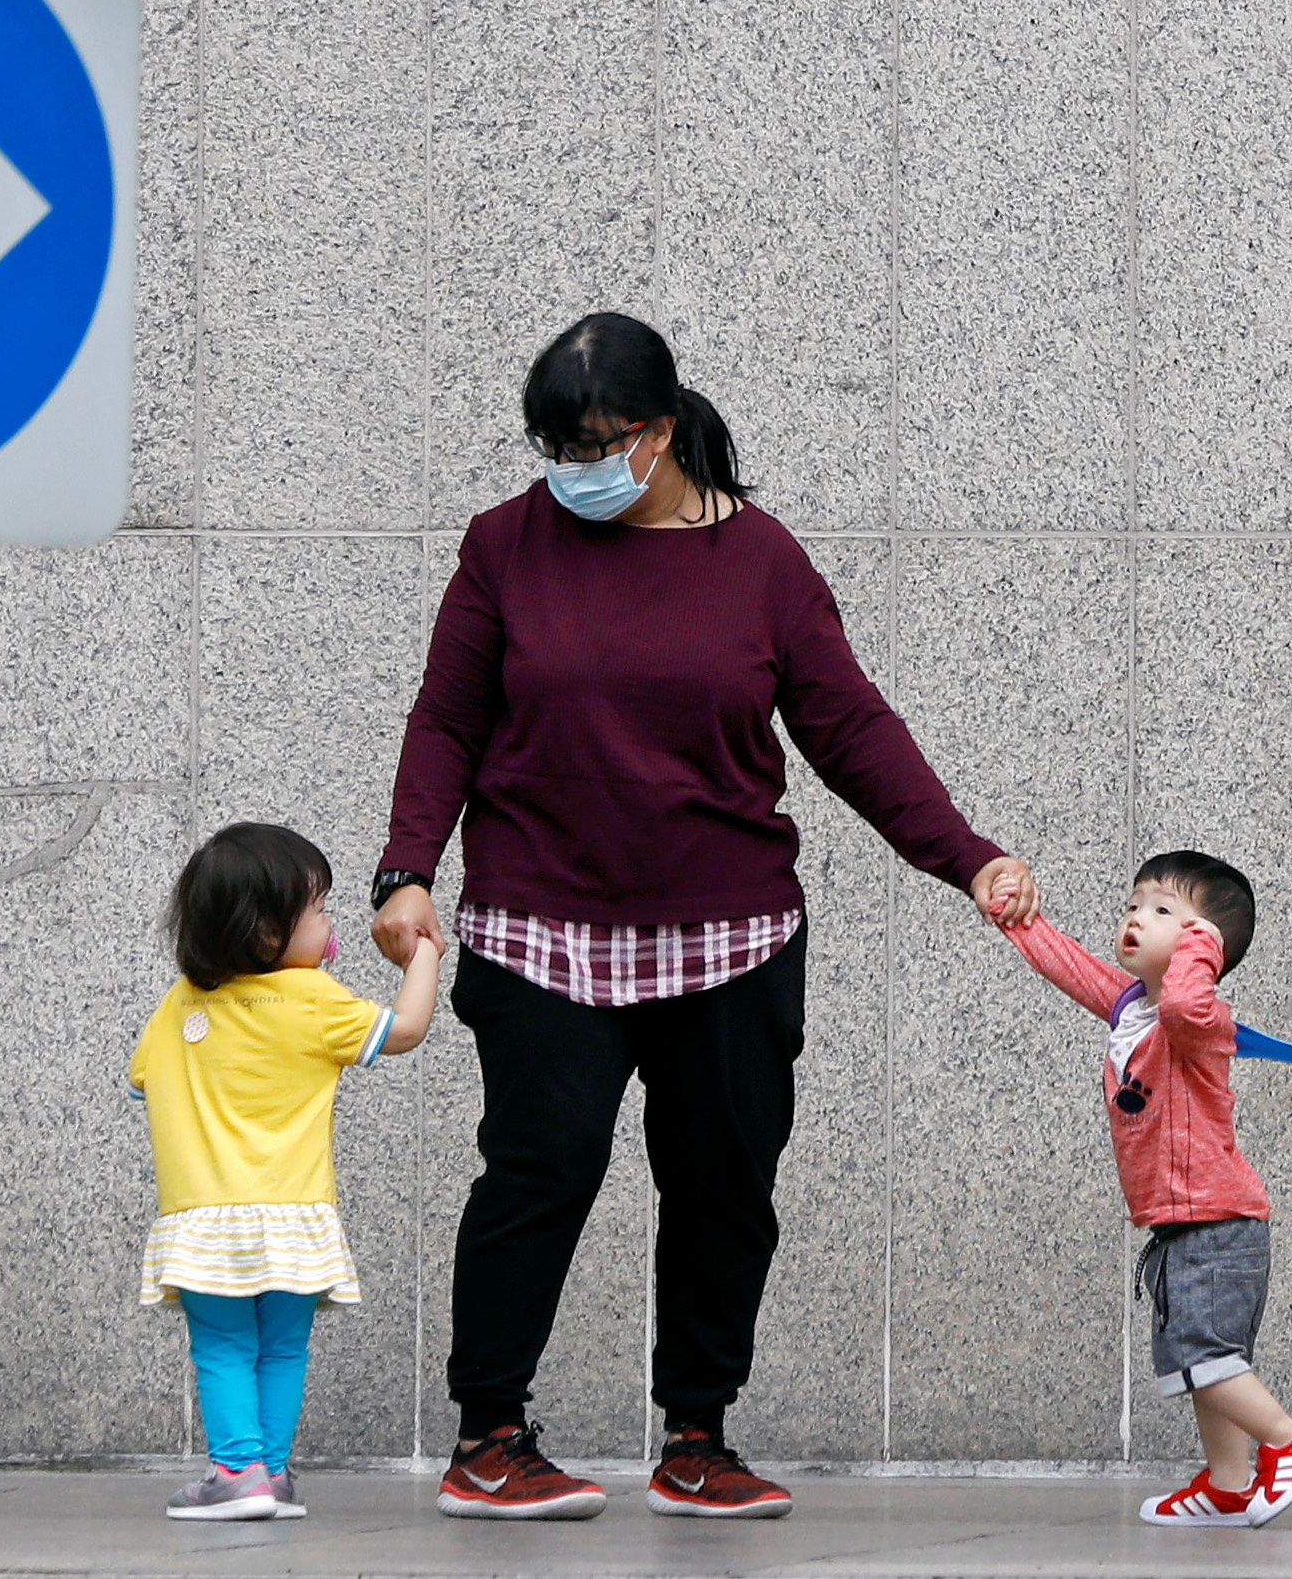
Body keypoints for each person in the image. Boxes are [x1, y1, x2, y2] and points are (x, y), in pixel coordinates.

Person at [372, 312, 1036, 1523]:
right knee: (539, 1170)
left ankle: (696, 1433)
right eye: (552, 443)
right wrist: (405, 868)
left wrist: (966, 857)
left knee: (723, 1183)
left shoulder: (762, 562)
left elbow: (850, 728)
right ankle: (489, 1434)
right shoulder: (500, 548)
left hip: (729, 935)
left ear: (661, 430)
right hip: (543, 930)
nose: (571, 464)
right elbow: (445, 722)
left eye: (597, 440)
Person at [1000, 850, 1292, 1525]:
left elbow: (1185, 997)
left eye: (1161, 910)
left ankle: (1290, 1435)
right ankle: (1228, 1482)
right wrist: (1012, 917)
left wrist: (1201, 943)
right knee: (1206, 1365)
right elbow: (1067, 964)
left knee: (1200, 1357)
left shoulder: (1196, 1018)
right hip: (1183, 1222)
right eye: (1133, 903)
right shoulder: (1132, 1006)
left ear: (1198, 946)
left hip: (1216, 1220)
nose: (1134, 916)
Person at [129, 819, 442, 1524]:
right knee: (283, 1345)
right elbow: (407, 1028)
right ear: (267, 930)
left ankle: (237, 1470)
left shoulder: (177, 1005)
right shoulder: (314, 998)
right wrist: (421, 957)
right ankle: (266, 1468)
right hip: (296, 1215)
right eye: (320, 908)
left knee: (224, 1343)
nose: (330, 923)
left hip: (204, 1218)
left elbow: (141, 1079)